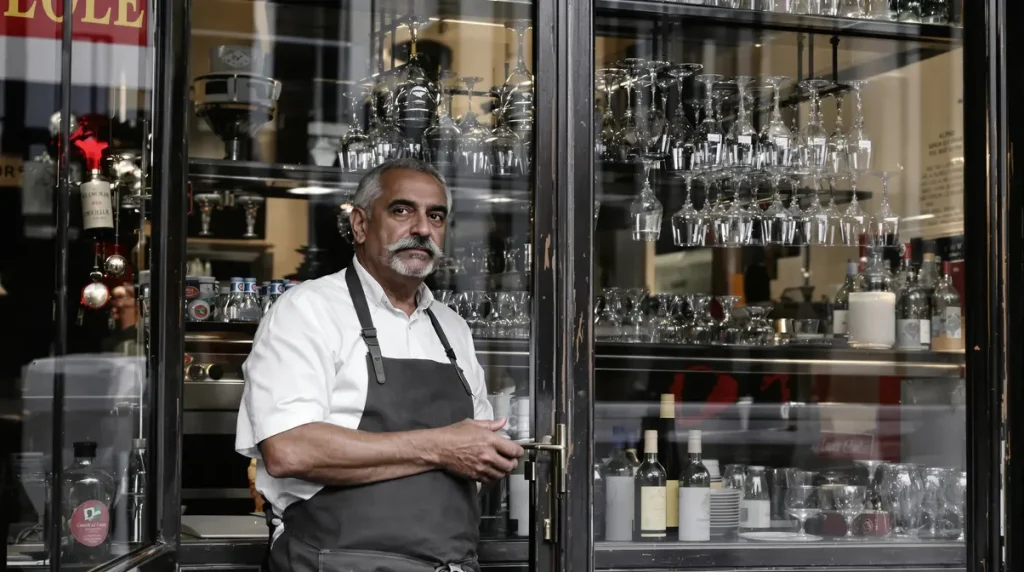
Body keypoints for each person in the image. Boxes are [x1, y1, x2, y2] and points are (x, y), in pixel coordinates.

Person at [236, 158, 524, 572]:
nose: (423, 229)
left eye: (436, 215)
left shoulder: (452, 328)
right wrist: (440, 447)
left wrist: (495, 454)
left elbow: (474, 452)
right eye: (402, 210)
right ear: (359, 225)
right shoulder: (308, 310)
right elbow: (289, 449)